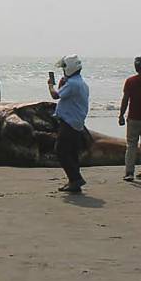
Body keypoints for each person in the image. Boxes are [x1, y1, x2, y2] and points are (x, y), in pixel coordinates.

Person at [48, 55, 90, 193]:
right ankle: (73, 181)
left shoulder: (72, 84)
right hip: (77, 122)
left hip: (69, 122)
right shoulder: (81, 83)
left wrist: (50, 85)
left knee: (61, 151)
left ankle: (75, 178)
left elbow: (55, 95)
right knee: (72, 153)